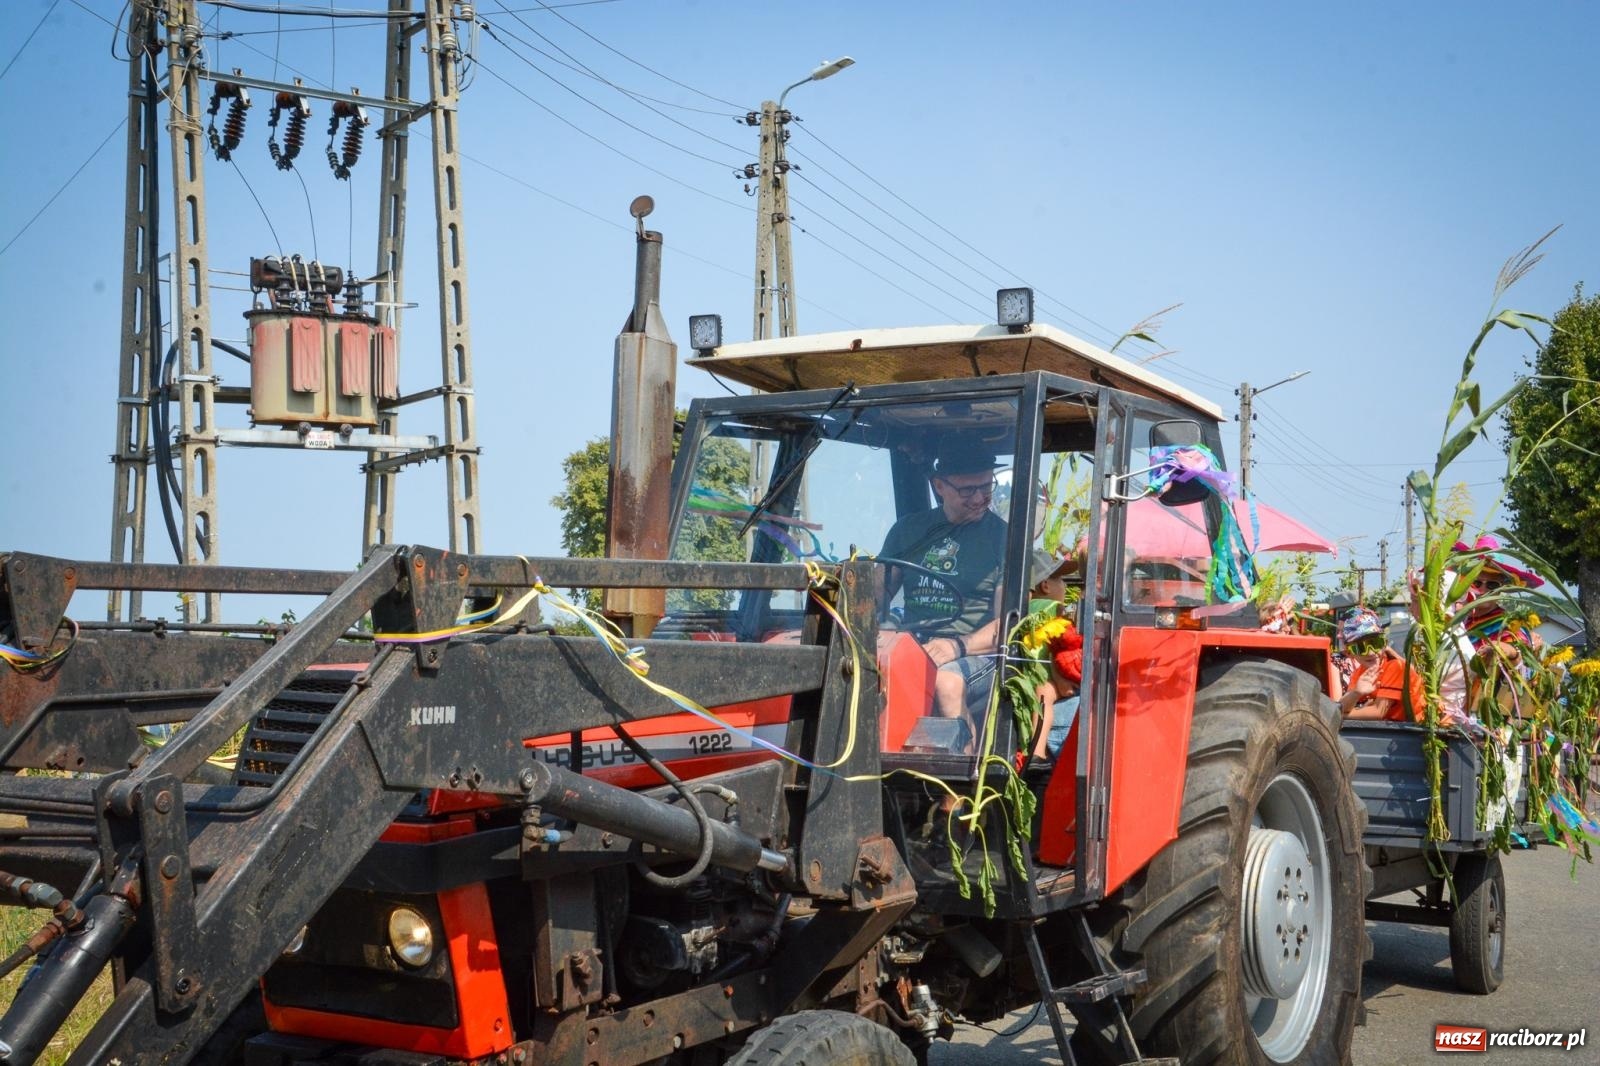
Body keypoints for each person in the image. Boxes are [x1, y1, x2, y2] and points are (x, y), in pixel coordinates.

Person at [879, 442, 1008, 732]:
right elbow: (878, 592)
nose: (979, 498)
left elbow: (1007, 624)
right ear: (939, 486)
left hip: (976, 654)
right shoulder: (907, 531)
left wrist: (957, 646)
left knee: (946, 682)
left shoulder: (1005, 539)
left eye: (986, 487)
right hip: (914, 644)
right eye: (967, 490)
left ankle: (963, 774)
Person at [1338, 608, 1426, 722]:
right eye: (1360, 648)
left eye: (1376, 643)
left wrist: (1343, 716)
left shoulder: (1395, 666)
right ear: (1349, 652)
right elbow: (1340, 707)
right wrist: (1356, 693)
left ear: (1385, 644)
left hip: (1418, 729)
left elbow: (1379, 712)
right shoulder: (1360, 672)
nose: (1370, 652)